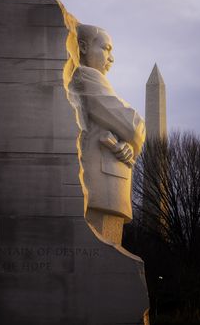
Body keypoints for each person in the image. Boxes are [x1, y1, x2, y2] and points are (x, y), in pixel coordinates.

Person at [67, 23, 146, 244]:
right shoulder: (85, 76)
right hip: (101, 185)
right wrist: (134, 134)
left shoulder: (93, 79)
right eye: (106, 49)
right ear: (82, 46)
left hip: (110, 183)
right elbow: (132, 125)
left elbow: (118, 129)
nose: (111, 58)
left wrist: (127, 145)